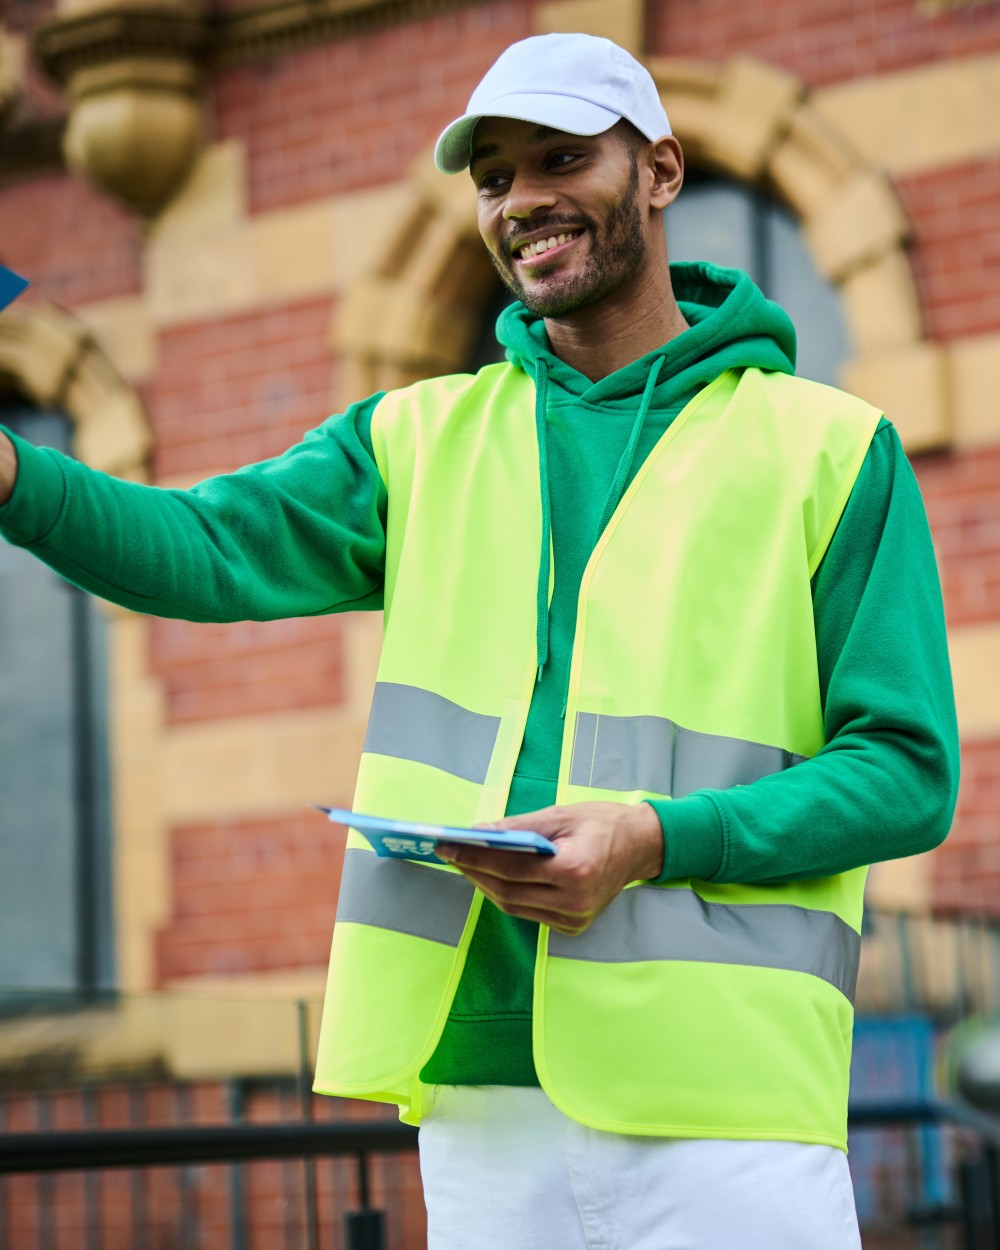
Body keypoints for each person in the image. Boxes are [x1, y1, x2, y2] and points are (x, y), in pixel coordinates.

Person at [0, 31, 958, 1250]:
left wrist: (656, 835)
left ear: (658, 171)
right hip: (482, 1105)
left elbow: (907, 772)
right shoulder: (418, 438)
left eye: (563, 157)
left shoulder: (828, 450)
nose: (523, 201)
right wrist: (13, 476)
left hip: (728, 1111)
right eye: (495, 176)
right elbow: (198, 547)